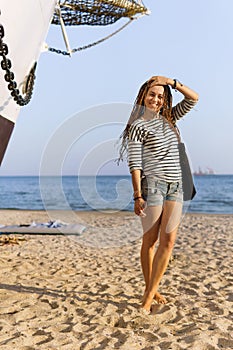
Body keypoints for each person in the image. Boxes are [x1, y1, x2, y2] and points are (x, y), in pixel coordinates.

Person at [119, 76, 199, 314]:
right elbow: (134, 163)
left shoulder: (170, 118)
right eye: (152, 94)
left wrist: (171, 82)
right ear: (143, 95)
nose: (156, 99)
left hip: (176, 186)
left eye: (160, 96)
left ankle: (150, 292)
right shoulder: (137, 125)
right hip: (152, 186)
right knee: (150, 242)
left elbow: (194, 98)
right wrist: (137, 195)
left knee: (169, 242)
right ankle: (150, 292)